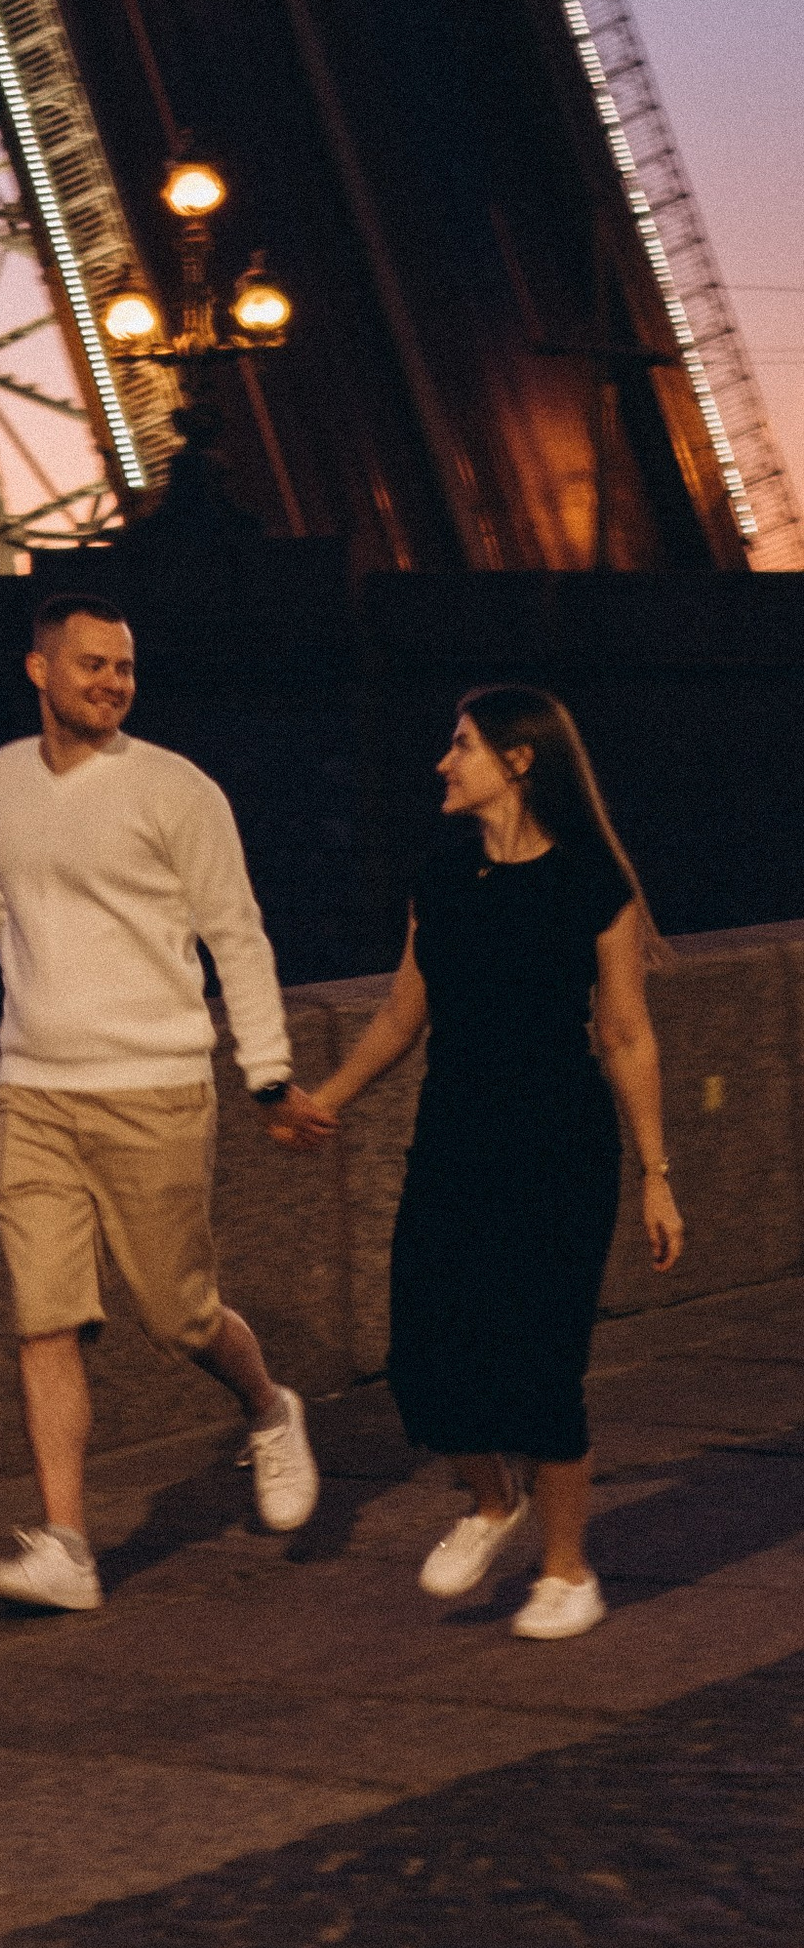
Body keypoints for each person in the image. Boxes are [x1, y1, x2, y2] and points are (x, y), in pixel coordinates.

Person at [288, 685, 681, 1637]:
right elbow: (400, 1013)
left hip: (558, 1146)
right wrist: (326, 1100)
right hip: (455, 1141)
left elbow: (626, 1035)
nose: (442, 762)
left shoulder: (592, 882)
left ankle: (566, 1571)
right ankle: (492, 1501)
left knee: (543, 1363)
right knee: (423, 1352)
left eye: (460, 746)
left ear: (517, 761)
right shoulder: (443, 873)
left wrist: (656, 1174)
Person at [0, 589, 326, 1613]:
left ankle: (267, 1408)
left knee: (180, 1315)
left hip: (153, 1087)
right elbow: (15, 923)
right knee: (44, 1321)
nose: (111, 683)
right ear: (41, 671)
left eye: (122, 667)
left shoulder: (178, 791)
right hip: (31, 1089)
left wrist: (264, 1071)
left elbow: (236, 936)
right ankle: (67, 1546)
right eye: (90, 665)